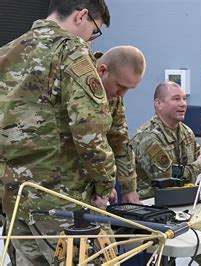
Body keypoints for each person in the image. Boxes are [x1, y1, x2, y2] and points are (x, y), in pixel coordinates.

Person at [0, 0, 113, 265]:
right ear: (81, 16)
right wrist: (104, 184)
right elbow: (89, 128)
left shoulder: (6, 52)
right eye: (94, 31)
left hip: (14, 200)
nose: (91, 40)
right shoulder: (71, 50)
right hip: (62, 201)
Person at [130, 81, 201, 266]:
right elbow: (168, 178)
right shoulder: (148, 137)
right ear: (158, 104)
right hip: (156, 211)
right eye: (176, 98)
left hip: (185, 204)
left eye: (184, 98)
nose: (183, 103)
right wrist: (200, 166)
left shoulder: (184, 131)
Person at [95, 45, 146, 204]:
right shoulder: (76, 84)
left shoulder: (113, 96)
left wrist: (129, 189)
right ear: (102, 71)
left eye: (129, 89)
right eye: (120, 86)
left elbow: (120, 141)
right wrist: (103, 184)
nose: (122, 94)